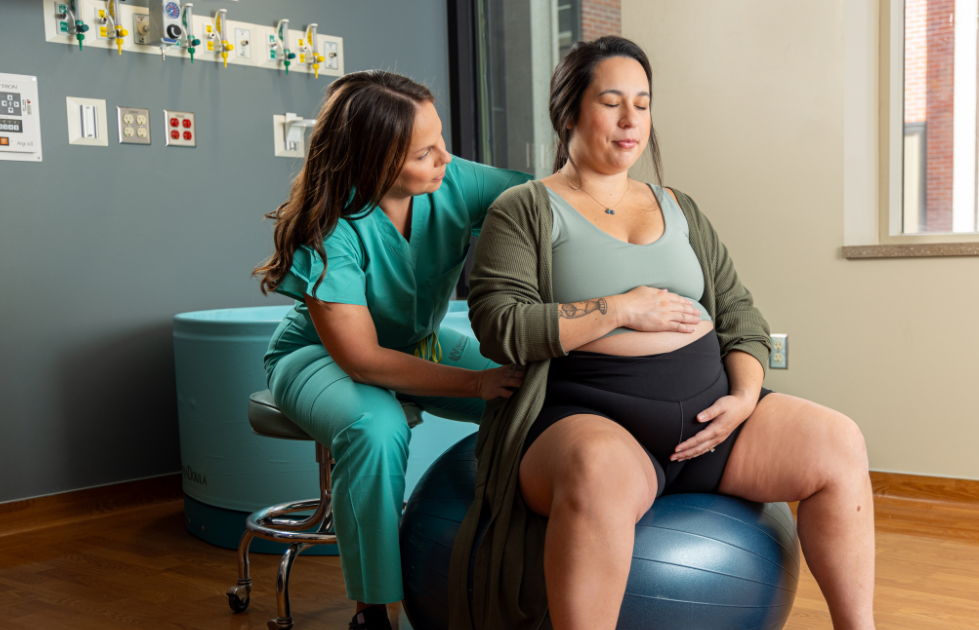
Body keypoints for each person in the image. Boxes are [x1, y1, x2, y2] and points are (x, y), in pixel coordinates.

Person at [456, 37, 876, 630]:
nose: (632, 121)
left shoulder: (678, 205)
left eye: (643, 103)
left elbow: (740, 315)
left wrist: (744, 399)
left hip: (713, 419)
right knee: (598, 471)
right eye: (611, 102)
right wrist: (619, 309)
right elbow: (499, 325)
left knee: (839, 441)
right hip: (591, 416)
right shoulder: (523, 209)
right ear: (568, 111)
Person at [253, 70, 532, 630]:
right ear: (373, 159)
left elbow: (550, 201)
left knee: (536, 394)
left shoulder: (450, 181)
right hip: (318, 359)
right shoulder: (329, 228)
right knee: (376, 429)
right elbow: (361, 359)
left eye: (442, 142)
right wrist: (477, 383)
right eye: (425, 152)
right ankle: (374, 612)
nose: (446, 160)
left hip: (418, 344)